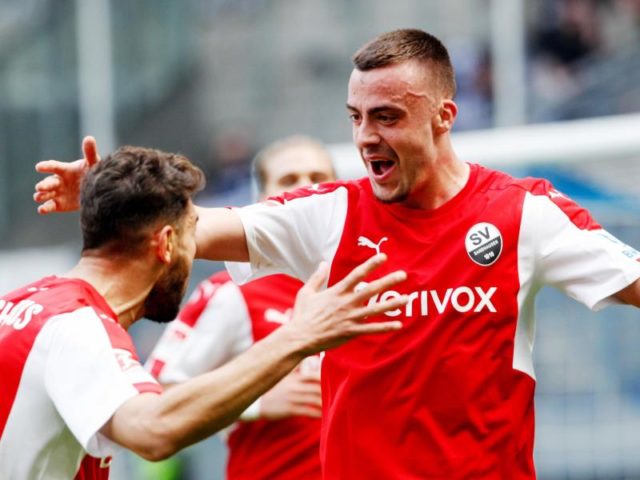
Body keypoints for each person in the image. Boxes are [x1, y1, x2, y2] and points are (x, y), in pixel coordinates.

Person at [33, 29, 640, 479]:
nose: (366, 136)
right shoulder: (331, 214)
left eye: (387, 117)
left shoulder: (523, 214)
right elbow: (192, 225)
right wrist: (101, 192)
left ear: (444, 117)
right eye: (356, 117)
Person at [3, 145, 408, 480]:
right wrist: (297, 337)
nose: (199, 249)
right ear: (165, 244)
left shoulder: (26, 305)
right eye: (194, 233)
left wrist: (111, 197)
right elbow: (152, 429)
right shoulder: (77, 327)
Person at [145, 135, 336, 480]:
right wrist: (254, 401)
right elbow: (154, 400)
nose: (307, 190)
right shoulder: (232, 293)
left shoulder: (367, 284)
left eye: (319, 179)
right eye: (289, 181)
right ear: (263, 201)